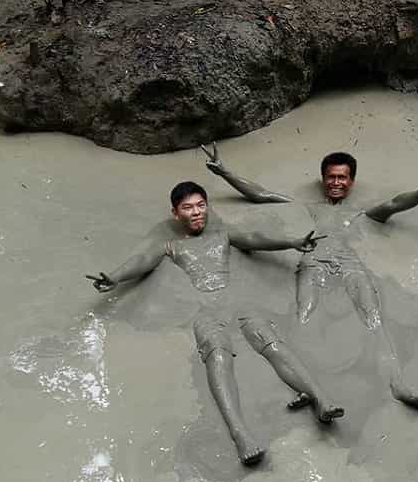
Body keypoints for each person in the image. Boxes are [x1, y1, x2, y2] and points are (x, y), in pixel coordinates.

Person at [86, 181, 343, 466]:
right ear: (175, 213)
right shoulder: (170, 245)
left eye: (200, 205)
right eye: (188, 208)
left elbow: (254, 239)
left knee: (270, 341)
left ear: (207, 207)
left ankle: (321, 399)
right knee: (217, 355)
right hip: (204, 309)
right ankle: (240, 433)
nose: (196, 213)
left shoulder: (223, 234)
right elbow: (143, 260)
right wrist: (115, 277)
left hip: (235, 301)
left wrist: (292, 242)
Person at [203, 144, 418, 408]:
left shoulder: (361, 213)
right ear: (324, 180)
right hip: (313, 262)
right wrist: (225, 173)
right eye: (331, 177)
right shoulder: (305, 206)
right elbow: (262, 194)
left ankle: (397, 384)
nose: (336, 182)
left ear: (351, 181)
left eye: (342, 177)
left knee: (373, 318)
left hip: (351, 265)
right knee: (303, 315)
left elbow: (396, 203)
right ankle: (303, 386)